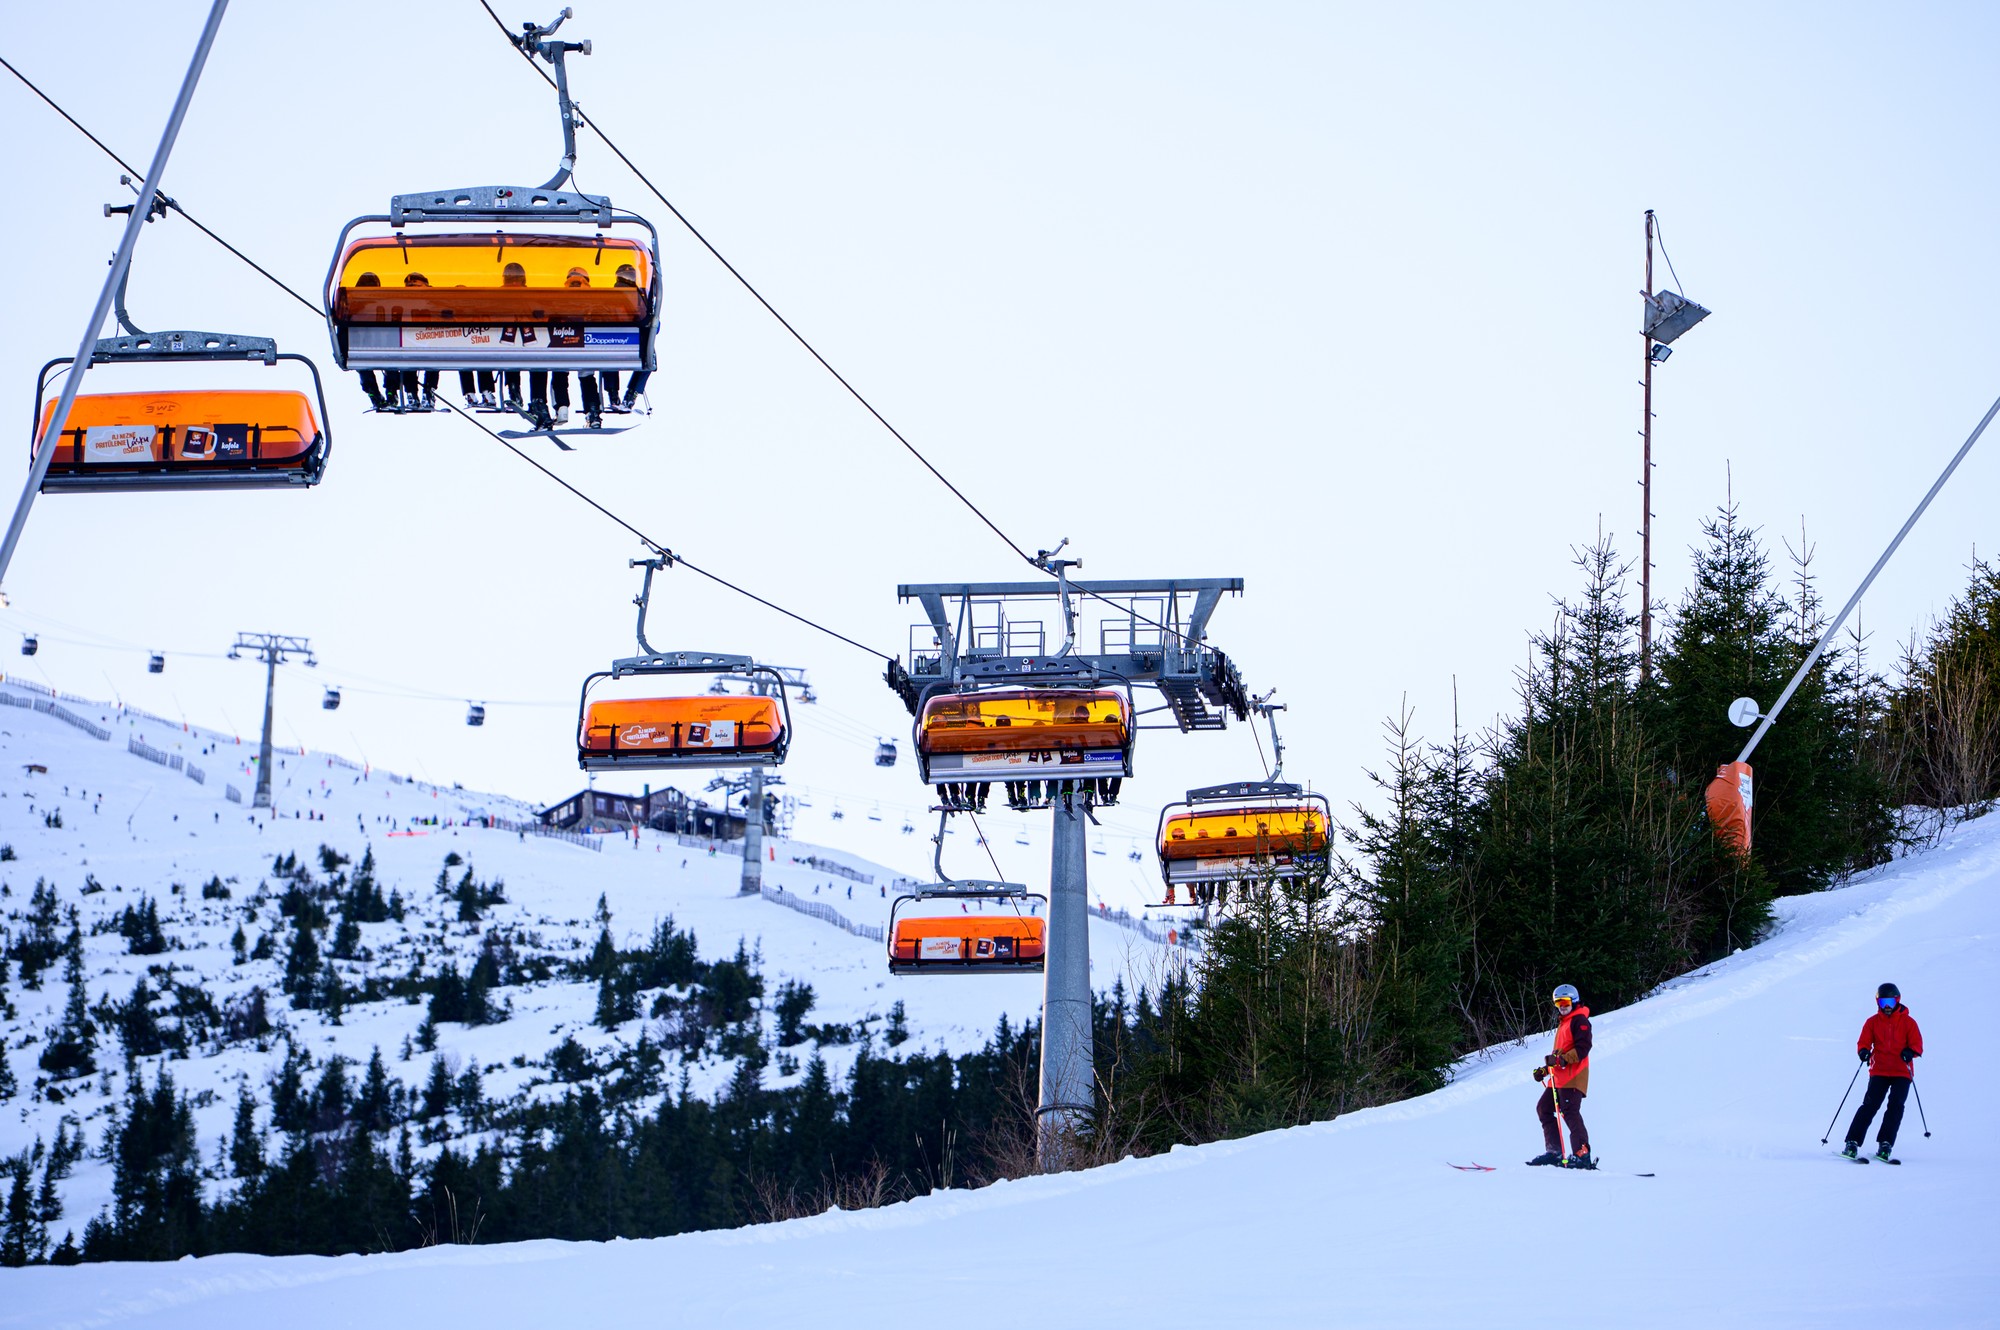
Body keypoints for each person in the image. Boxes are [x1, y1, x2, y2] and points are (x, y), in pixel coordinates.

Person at [1843, 982, 1923, 1161]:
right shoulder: (1872, 1022)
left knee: (1895, 1107)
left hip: (1902, 1072)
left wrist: (1910, 1051)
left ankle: (1885, 1144)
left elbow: (1918, 1045)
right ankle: (1852, 1142)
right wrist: (1863, 1051)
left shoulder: (1909, 1023)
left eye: (1890, 1002)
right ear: (1877, 1002)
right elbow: (1863, 1041)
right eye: (1882, 1002)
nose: (1887, 1007)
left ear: (1897, 1001)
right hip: (1879, 1070)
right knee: (1870, 1106)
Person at [1528, 983, 1594, 1168]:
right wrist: (1545, 1069)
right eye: (1558, 1003)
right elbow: (1559, 1055)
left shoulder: (1579, 1021)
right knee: (1544, 1108)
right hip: (1557, 1078)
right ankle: (1554, 1152)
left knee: (1570, 1112)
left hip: (1573, 1076)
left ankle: (1582, 1155)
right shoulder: (1565, 1022)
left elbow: (1583, 1048)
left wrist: (1563, 1061)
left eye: (1565, 1002)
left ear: (1574, 1001)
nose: (1562, 1006)